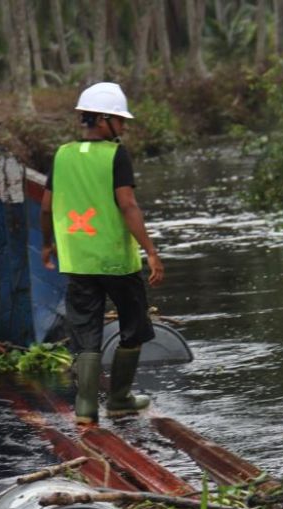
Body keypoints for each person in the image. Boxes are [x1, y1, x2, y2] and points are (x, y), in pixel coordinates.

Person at [39, 82, 165, 424]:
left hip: (78, 263)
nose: (123, 127)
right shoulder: (116, 155)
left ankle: (85, 408)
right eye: (120, 121)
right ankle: (120, 398)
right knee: (133, 326)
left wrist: (47, 244)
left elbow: (47, 206)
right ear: (103, 120)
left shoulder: (62, 154)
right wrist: (151, 251)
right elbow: (128, 204)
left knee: (85, 332)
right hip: (116, 262)